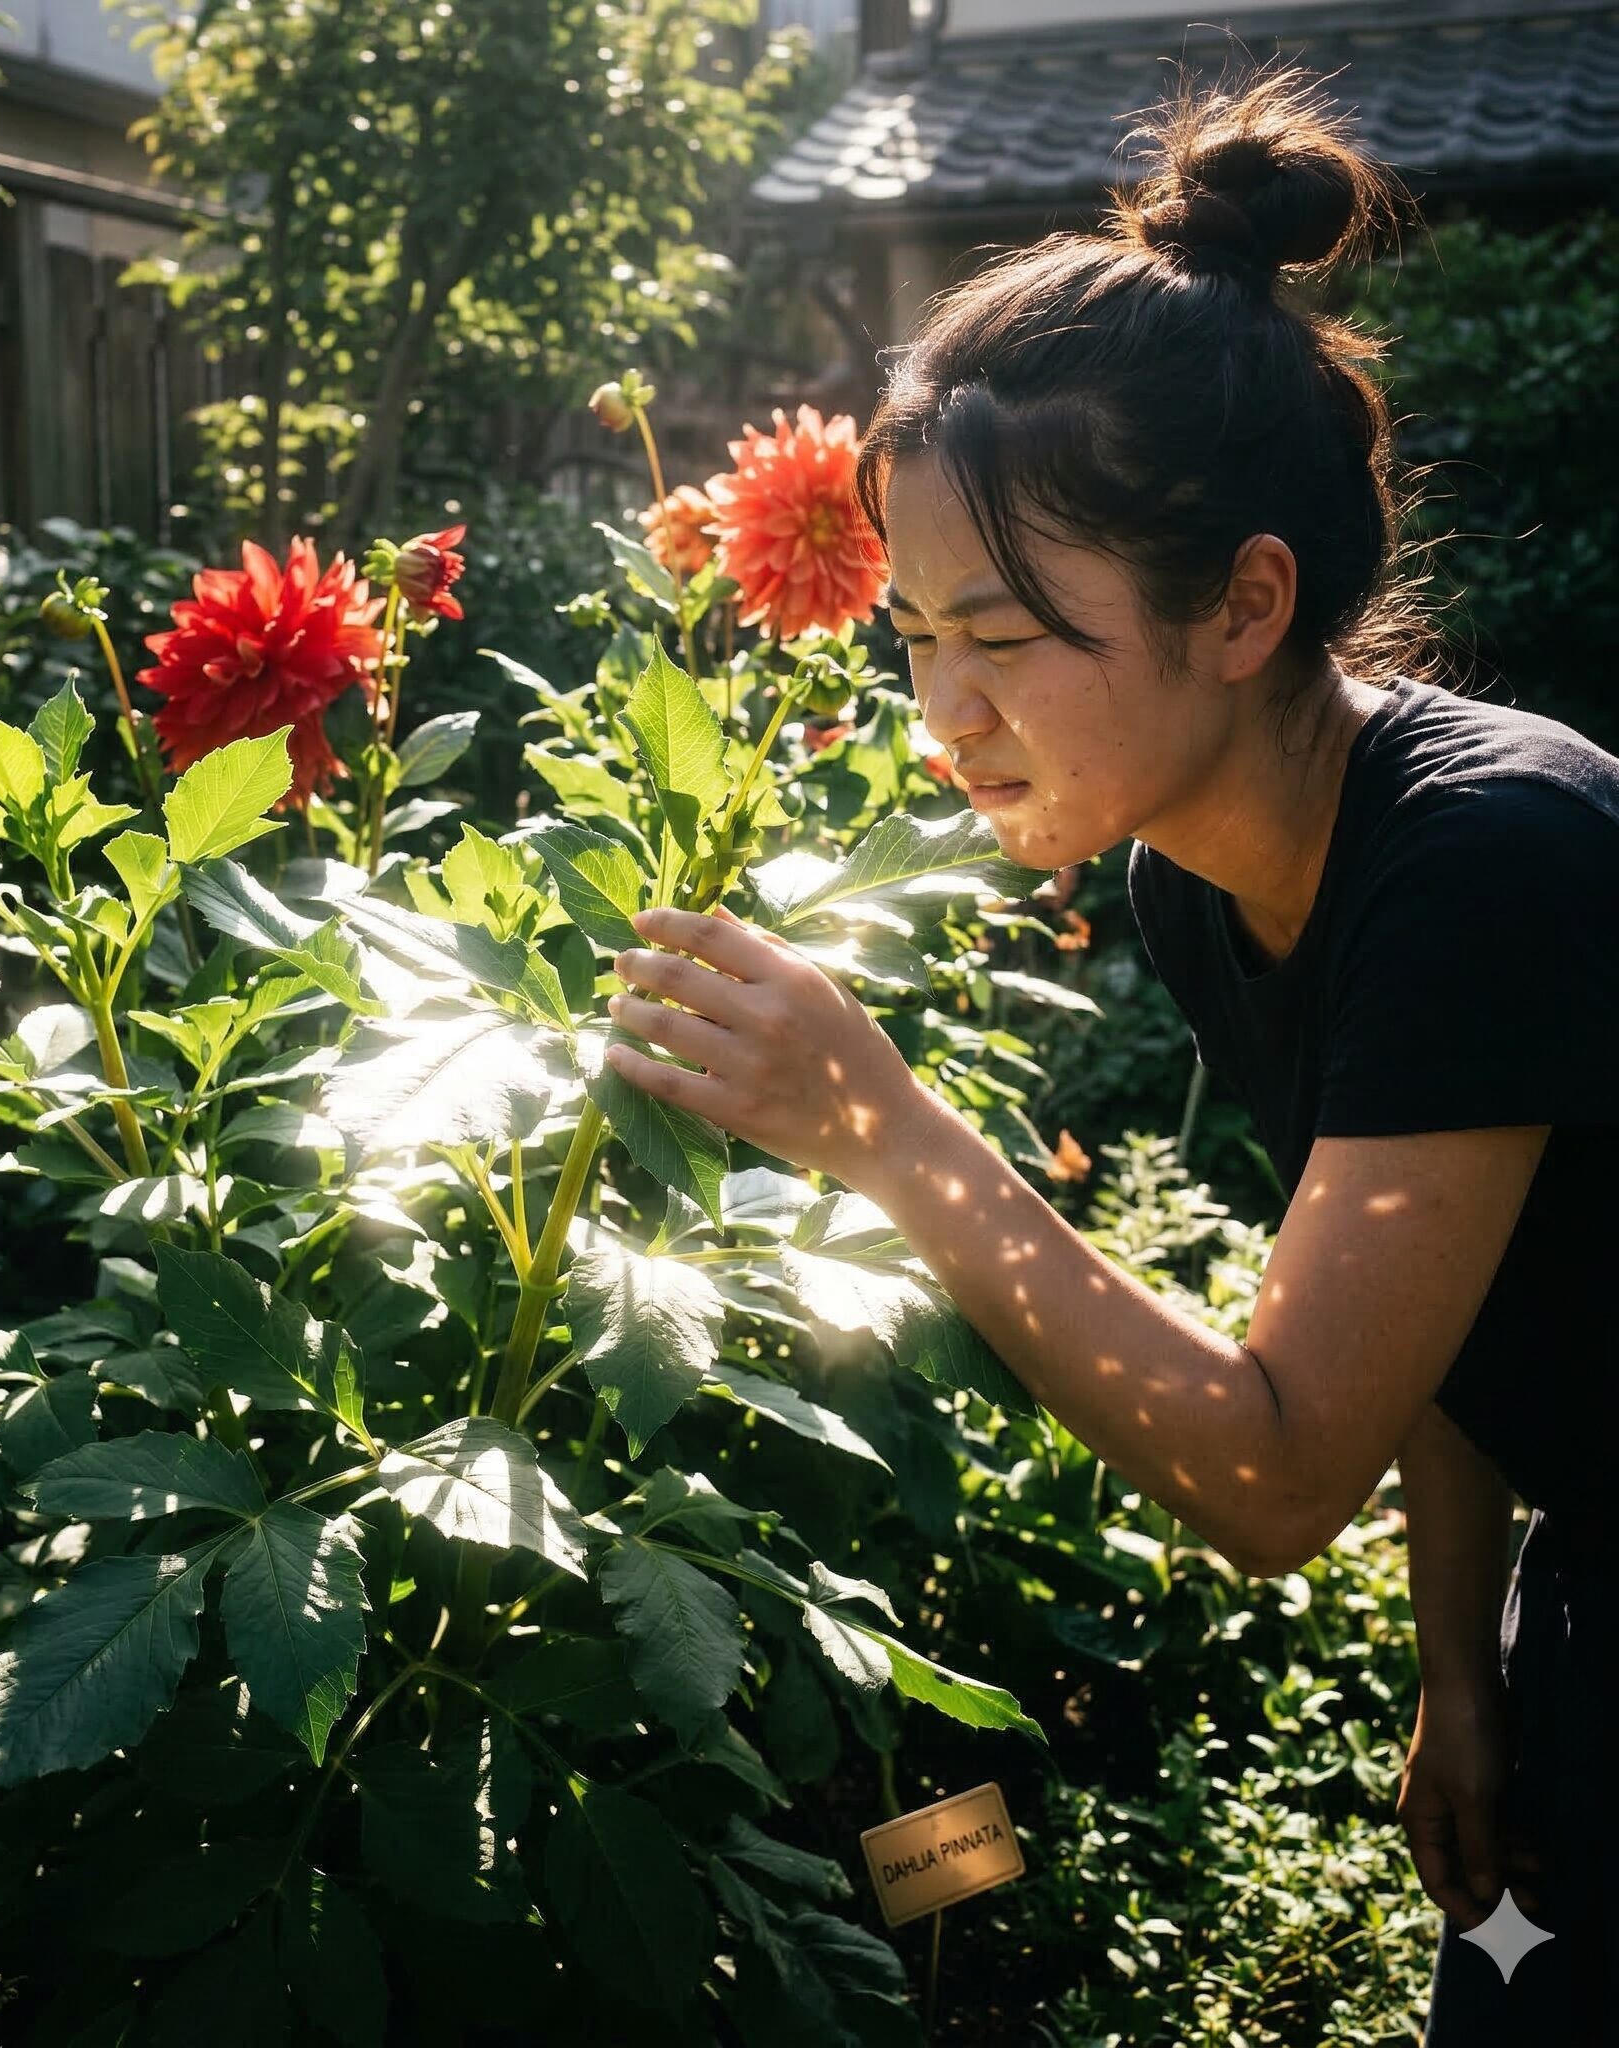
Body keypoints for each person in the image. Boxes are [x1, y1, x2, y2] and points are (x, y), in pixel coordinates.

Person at [602, 62, 1614, 2041]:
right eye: (912, 637)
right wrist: (1461, 1671)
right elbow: (1433, 1313)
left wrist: (888, 1130)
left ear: (1244, 601)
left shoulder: (1487, 862)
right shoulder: (1197, 875)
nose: (942, 713)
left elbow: (1271, 1469)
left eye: (1006, 635)